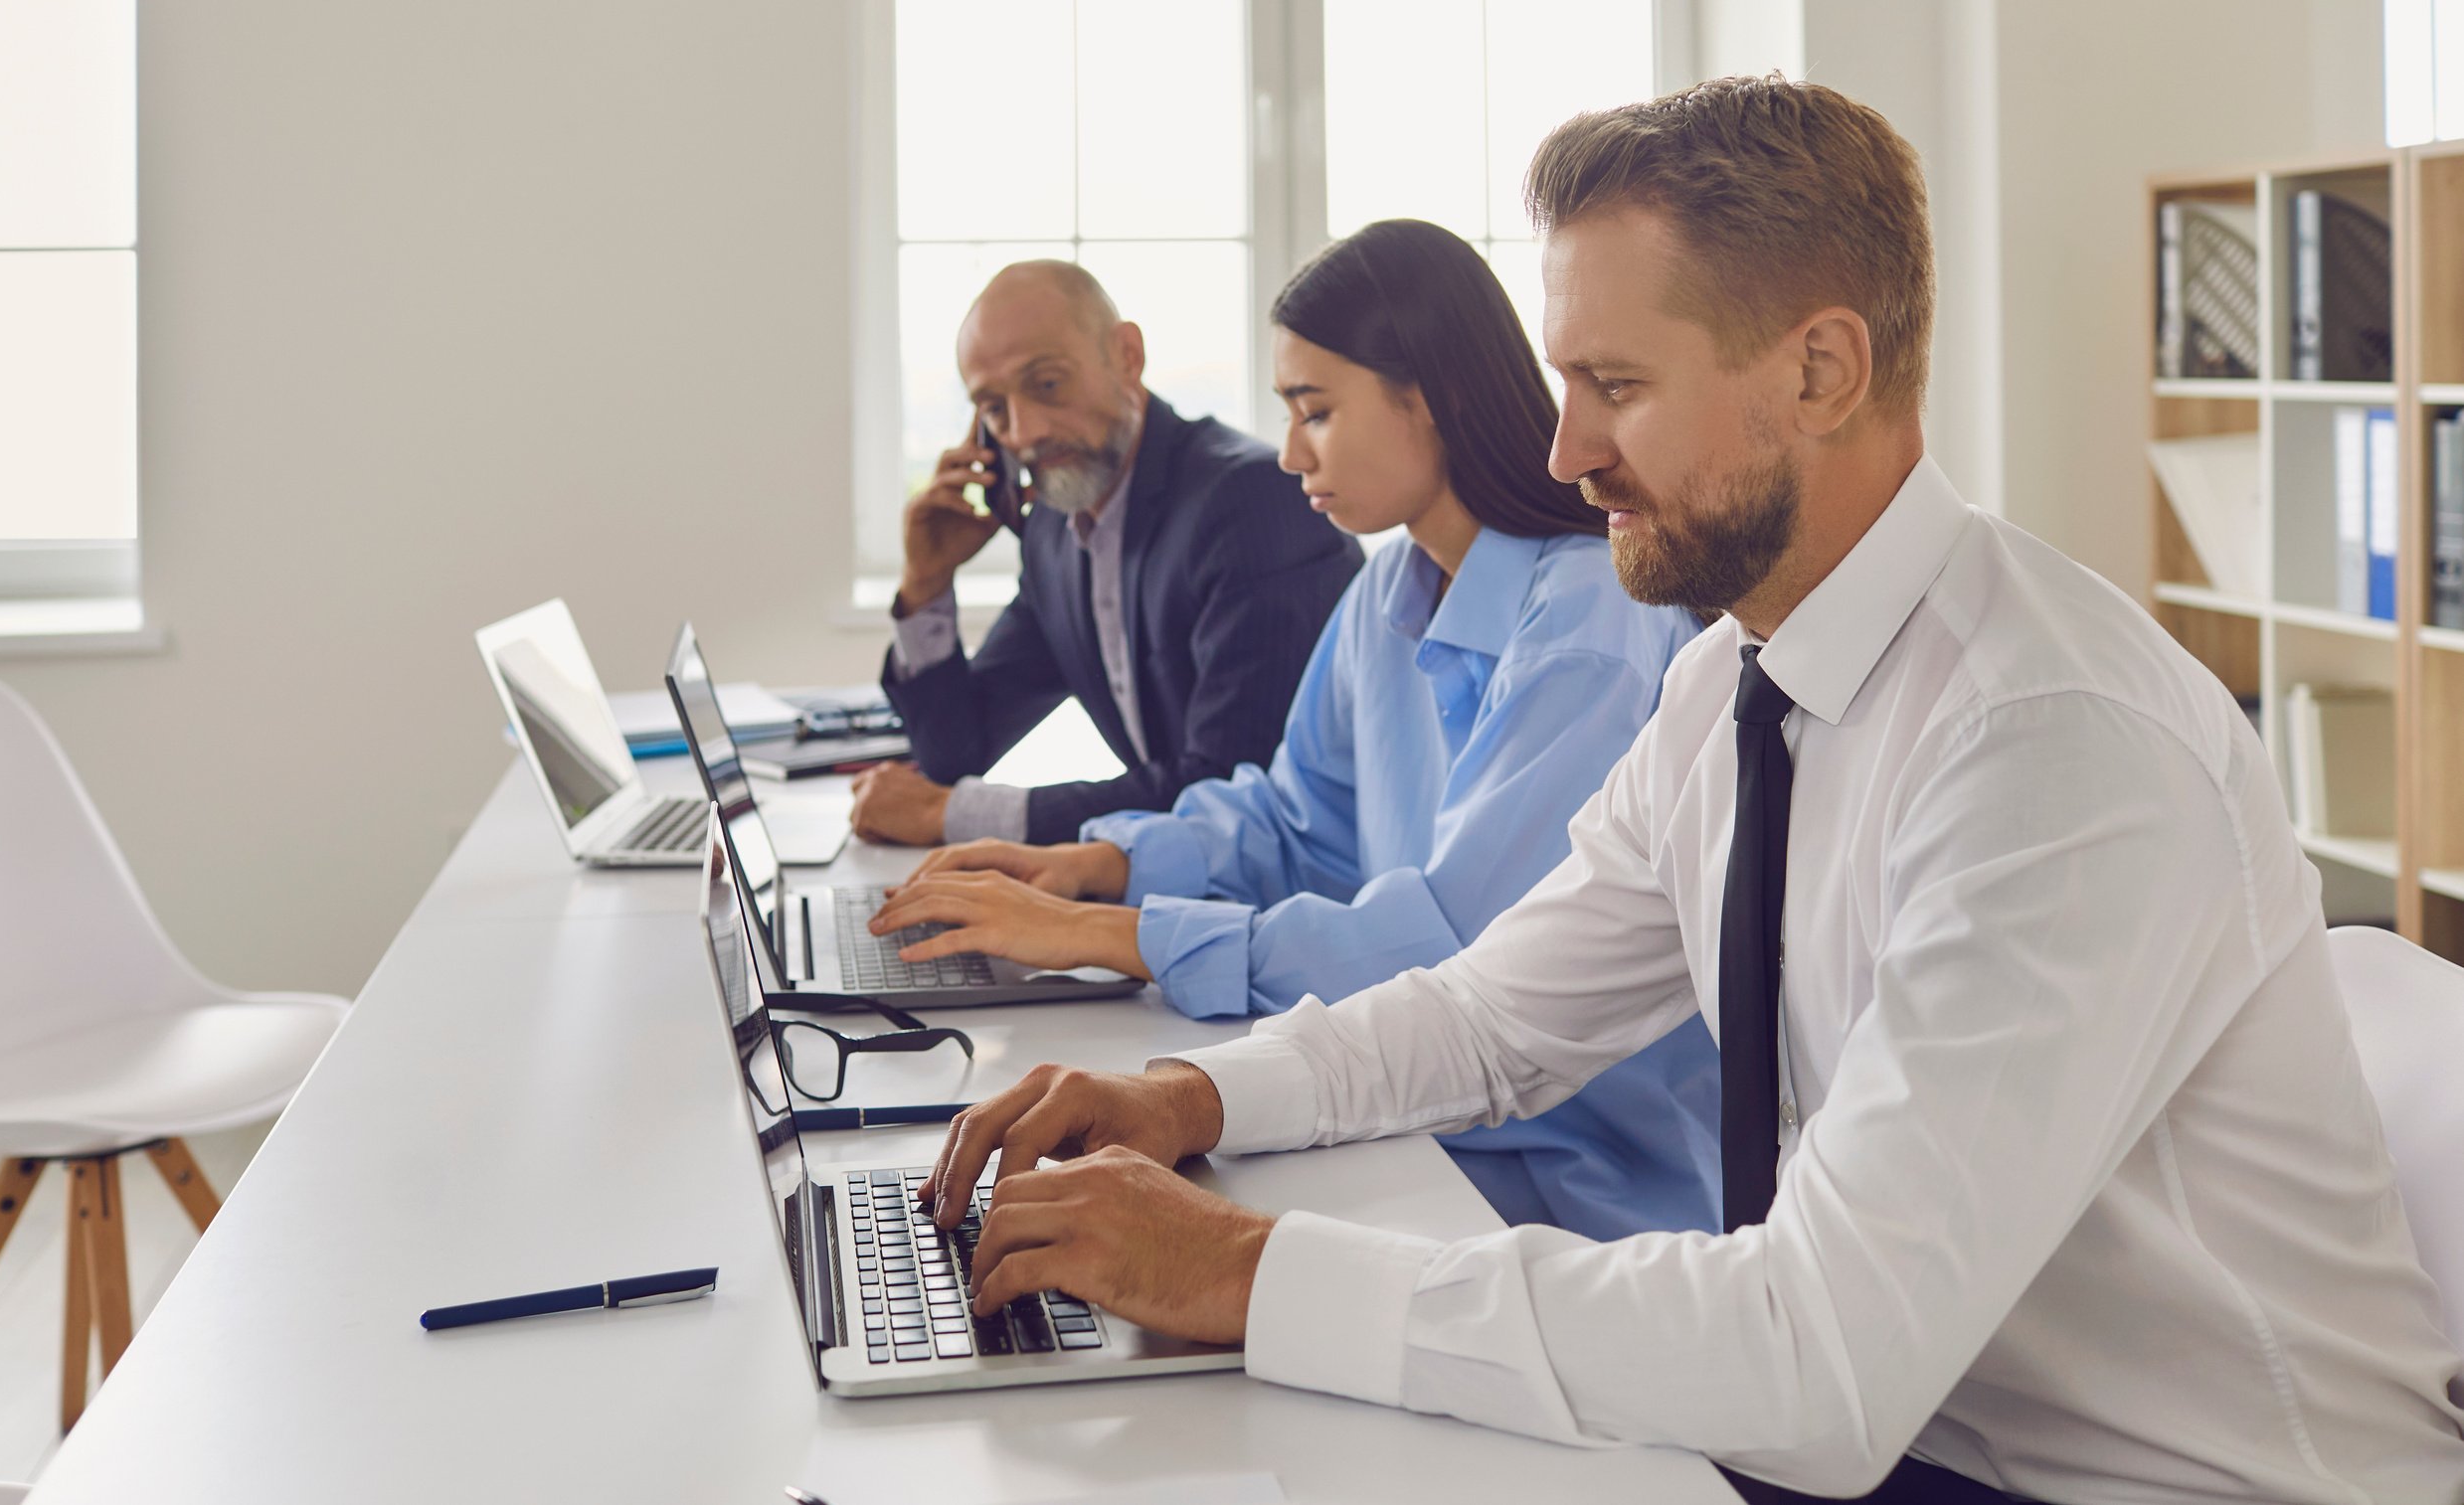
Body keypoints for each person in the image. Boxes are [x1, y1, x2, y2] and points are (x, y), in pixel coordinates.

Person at [907, 78, 2464, 1503]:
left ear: (1821, 369)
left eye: (1613, 384)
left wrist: (1248, 1272)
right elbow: (1491, 1014)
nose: (1565, 447)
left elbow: (1823, 1360)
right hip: (1931, 1433)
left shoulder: (2049, 745)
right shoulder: (1734, 681)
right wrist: (1187, 1097)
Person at [868, 219, 1720, 1241]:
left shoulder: (1590, 621)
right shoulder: (1388, 592)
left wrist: (1116, 935)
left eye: (1314, 411)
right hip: (1401, 1120)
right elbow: (1294, 821)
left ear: (1432, 399)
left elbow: (1462, 954)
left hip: (1565, 1178)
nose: (1287, 452)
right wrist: (1096, 867)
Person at [853, 260, 1361, 848]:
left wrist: (957, 816)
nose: (1025, 432)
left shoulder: (1249, 502)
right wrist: (927, 583)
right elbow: (957, 753)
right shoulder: (1055, 529)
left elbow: (1228, 785)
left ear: (1126, 354)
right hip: (1181, 882)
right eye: (994, 408)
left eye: (1046, 384)